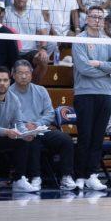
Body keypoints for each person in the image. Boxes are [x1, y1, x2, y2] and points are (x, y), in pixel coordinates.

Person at [72, 5, 111, 191]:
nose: (97, 20)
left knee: (98, 137)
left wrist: (99, 64)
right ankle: (79, 176)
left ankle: (92, 174)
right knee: (85, 137)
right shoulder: (79, 40)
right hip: (85, 93)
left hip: (105, 94)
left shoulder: (107, 40)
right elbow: (84, 68)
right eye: (93, 17)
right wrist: (105, 69)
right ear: (86, 19)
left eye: (100, 17)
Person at [10, 59, 77, 191]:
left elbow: (50, 113)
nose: (24, 76)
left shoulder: (41, 90)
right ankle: (35, 177)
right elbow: (7, 116)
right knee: (31, 138)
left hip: (40, 128)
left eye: (27, 73)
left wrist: (37, 124)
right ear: (13, 74)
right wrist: (25, 127)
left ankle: (66, 176)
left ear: (31, 74)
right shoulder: (8, 93)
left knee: (66, 140)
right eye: (20, 73)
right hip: (19, 131)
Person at [3, 0, 50, 84]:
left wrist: (43, 49)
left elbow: (43, 31)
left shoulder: (35, 13)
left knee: (43, 60)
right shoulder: (6, 12)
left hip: (30, 52)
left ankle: (33, 85)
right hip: (11, 51)